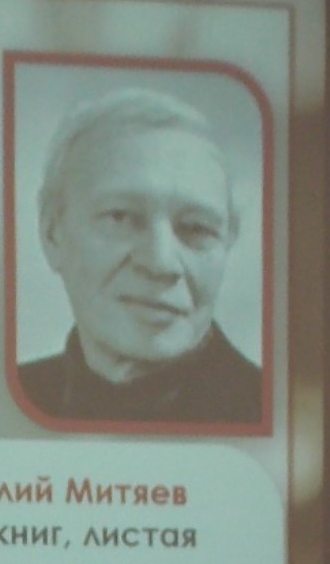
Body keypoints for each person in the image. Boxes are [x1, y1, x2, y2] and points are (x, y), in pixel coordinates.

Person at [15, 87, 262, 426]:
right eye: (121, 217)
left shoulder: (274, 411)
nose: (161, 263)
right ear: (52, 234)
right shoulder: (0, 403)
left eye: (196, 228)